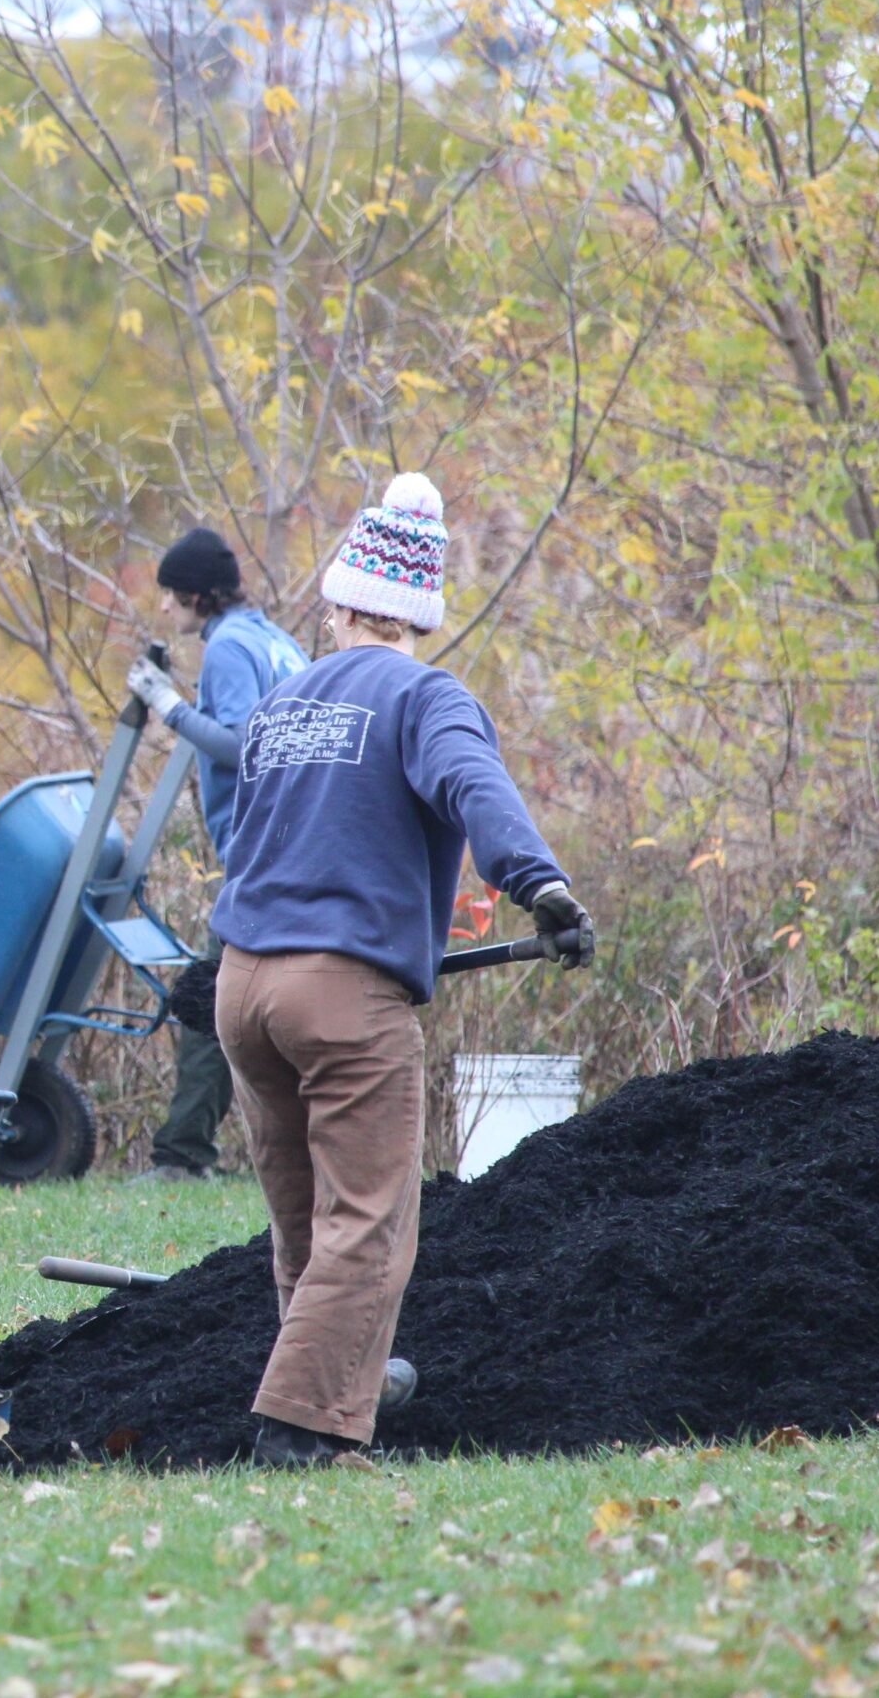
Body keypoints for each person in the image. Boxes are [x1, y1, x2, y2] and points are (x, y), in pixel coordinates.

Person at [208, 474, 594, 1466]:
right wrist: (540, 884)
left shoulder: (282, 703)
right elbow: (473, 785)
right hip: (340, 995)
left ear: (337, 605)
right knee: (369, 1218)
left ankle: (342, 1389)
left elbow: (243, 837)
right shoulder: (426, 697)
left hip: (241, 986)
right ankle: (300, 1427)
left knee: (304, 1216)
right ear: (419, 616)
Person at [124, 527, 311, 1178]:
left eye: (172, 595)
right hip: (300, 847)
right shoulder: (273, 640)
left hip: (262, 857)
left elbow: (240, 744)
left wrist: (167, 705)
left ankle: (182, 1157)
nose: (165, 607)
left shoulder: (228, 647)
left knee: (211, 996)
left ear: (199, 597)